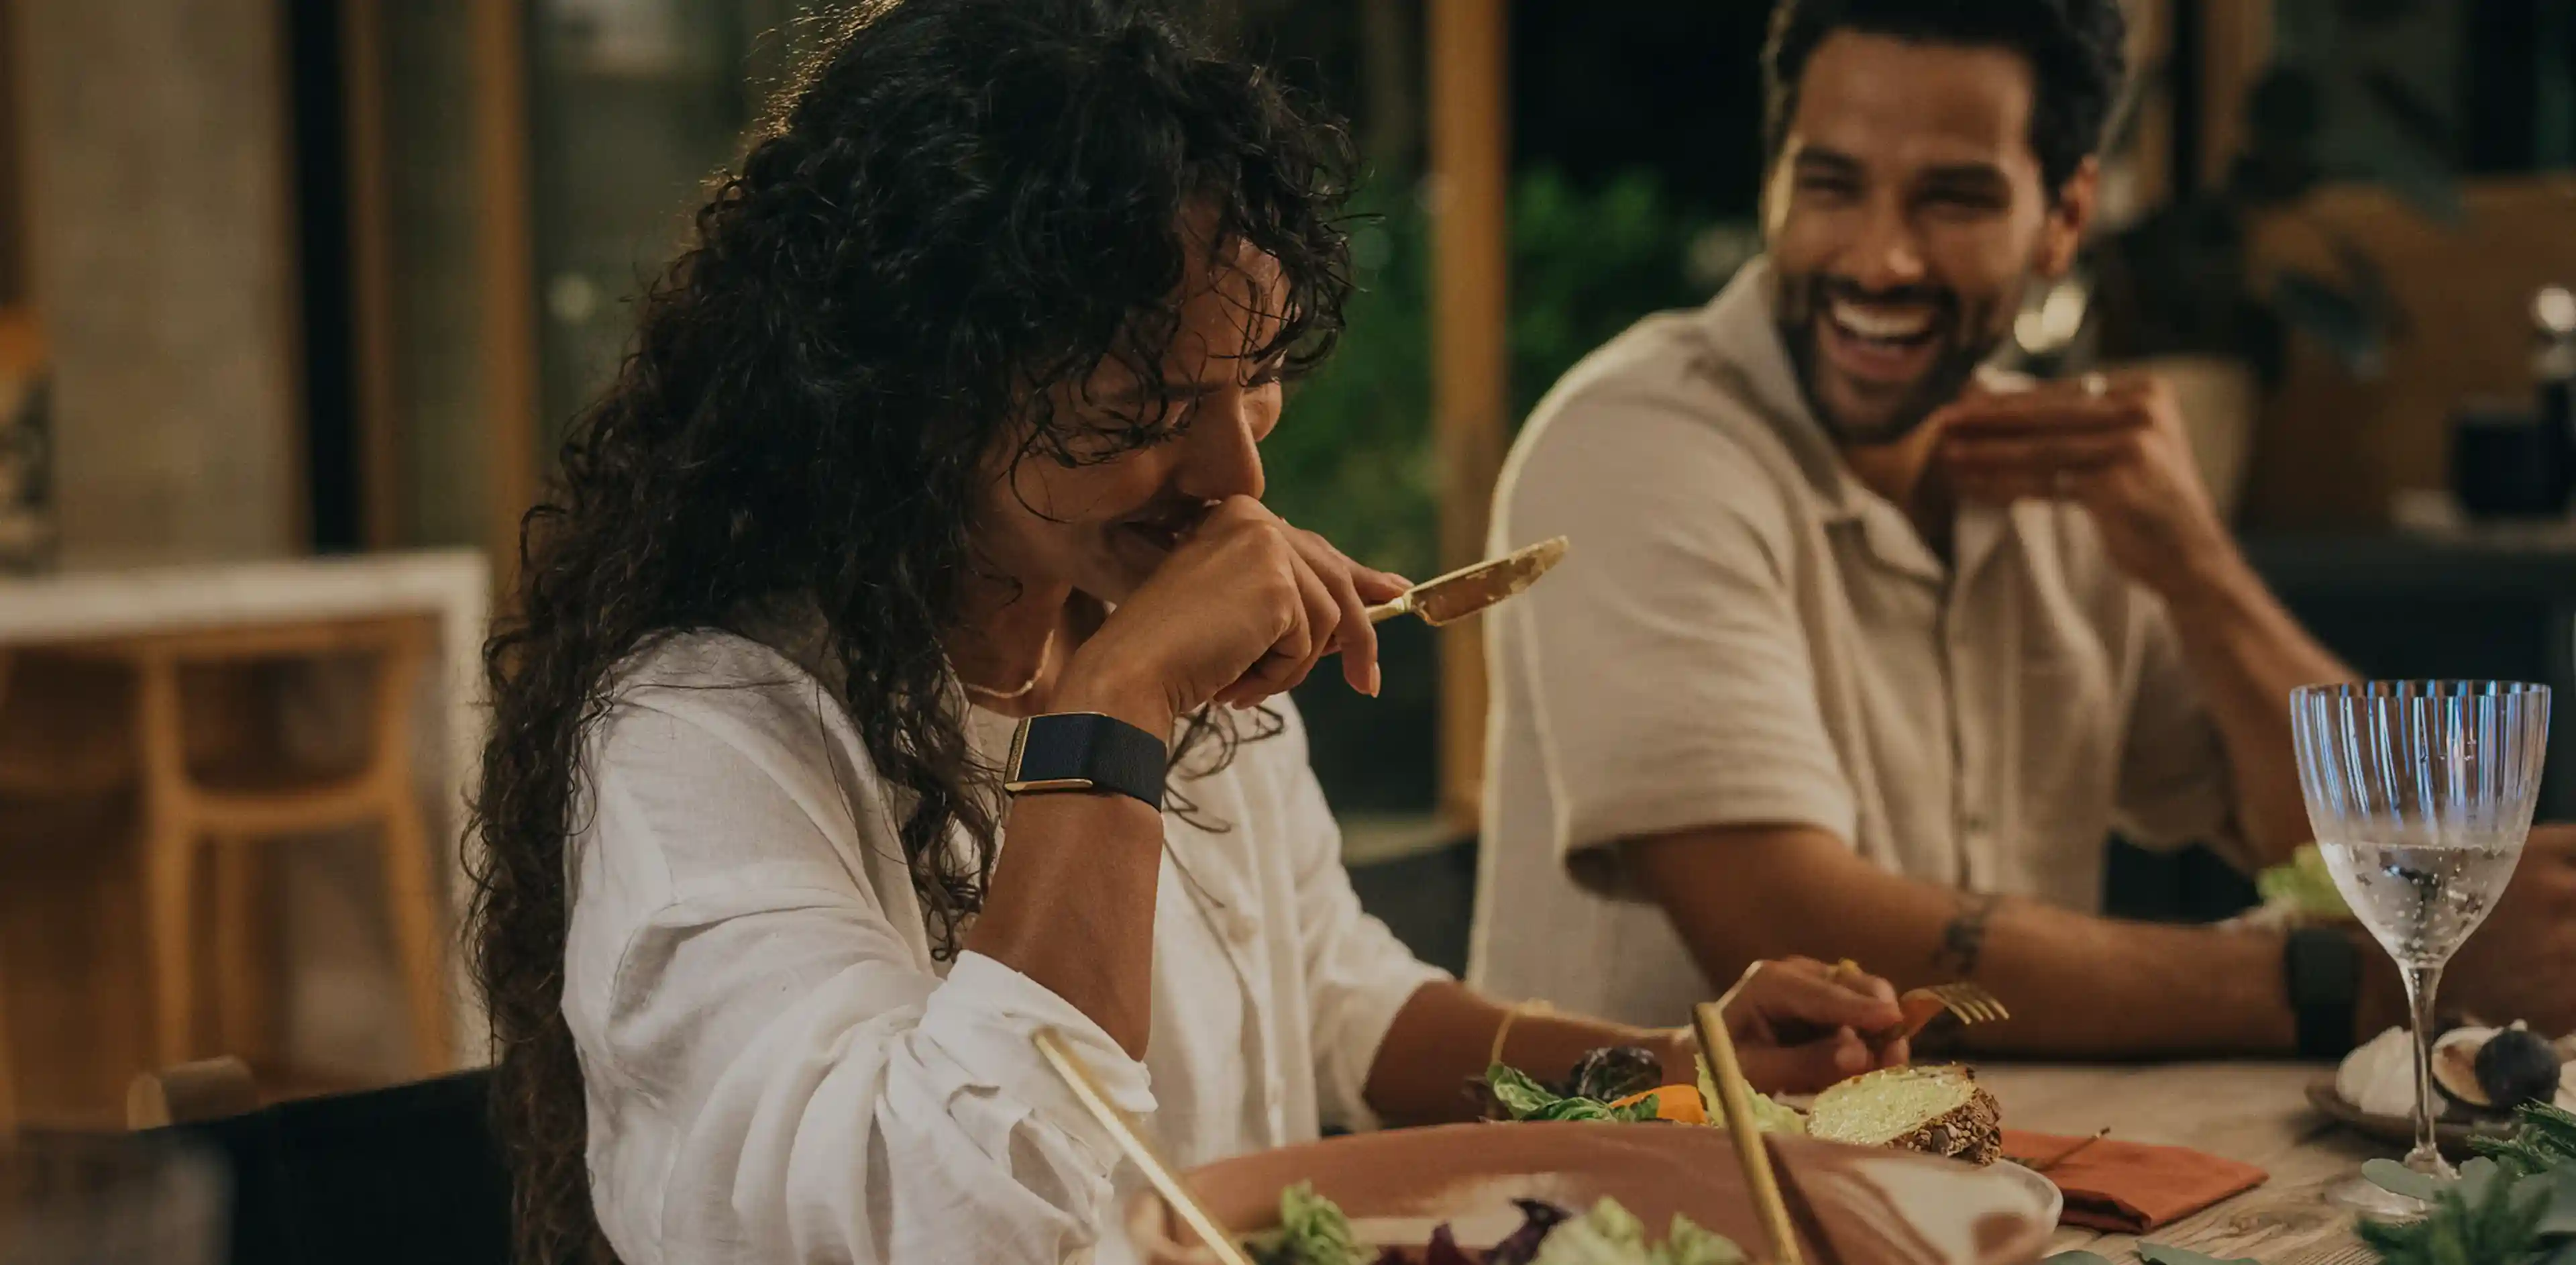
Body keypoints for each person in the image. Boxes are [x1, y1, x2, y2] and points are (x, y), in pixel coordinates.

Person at [466, 5, 1910, 1264]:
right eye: (1143, 413)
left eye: (1257, 379)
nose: (1241, 480)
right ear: (910, 396)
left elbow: (1339, 1008)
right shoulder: (704, 738)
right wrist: (1121, 706)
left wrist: (1671, 1073)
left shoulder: (1130, 620)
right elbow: (951, 1224)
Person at [1473, 0, 2576, 1062]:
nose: (1878, 259)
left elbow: (2342, 853)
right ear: (1773, 186)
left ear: (2063, 221)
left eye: (1951, 199)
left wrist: (2197, 571)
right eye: (1831, 185)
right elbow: (1786, 925)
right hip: (1658, 1216)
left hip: (1996, 1194)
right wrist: (2358, 984)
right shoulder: (1633, 444)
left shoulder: (2065, 477)